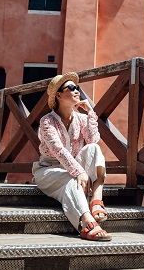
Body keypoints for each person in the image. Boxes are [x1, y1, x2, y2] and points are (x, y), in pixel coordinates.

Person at [32, 72, 111, 241]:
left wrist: (90, 113)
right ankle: (86, 221)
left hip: (74, 168)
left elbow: (92, 140)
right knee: (71, 178)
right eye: (71, 88)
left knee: (93, 149)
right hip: (49, 171)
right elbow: (59, 150)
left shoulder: (81, 118)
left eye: (77, 88)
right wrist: (79, 172)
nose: (77, 91)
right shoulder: (47, 121)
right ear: (58, 95)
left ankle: (96, 200)